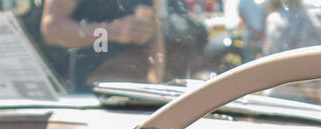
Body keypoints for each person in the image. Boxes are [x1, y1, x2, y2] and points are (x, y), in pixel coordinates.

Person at [41, 0, 207, 91]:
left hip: (137, 96)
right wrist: (111, 31)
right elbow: (51, 30)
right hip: (91, 96)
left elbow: (156, 36)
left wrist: (155, 87)